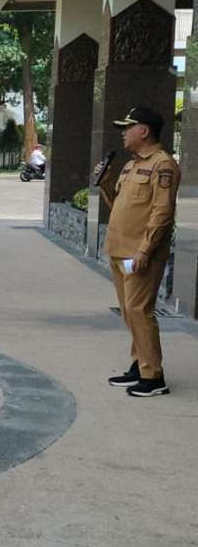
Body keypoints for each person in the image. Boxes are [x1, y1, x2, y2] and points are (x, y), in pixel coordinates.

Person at [96, 107, 180, 397]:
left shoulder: (163, 165)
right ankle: (139, 364)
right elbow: (120, 206)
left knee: (139, 311)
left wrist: (145, 250)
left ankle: (153, 377)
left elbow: (162, 212)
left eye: (128, 127)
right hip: (119, 250)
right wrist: (105, 182)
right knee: (129, 313)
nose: (123, 133)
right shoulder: (131, 165)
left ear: (143, 131)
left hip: (141, 253)